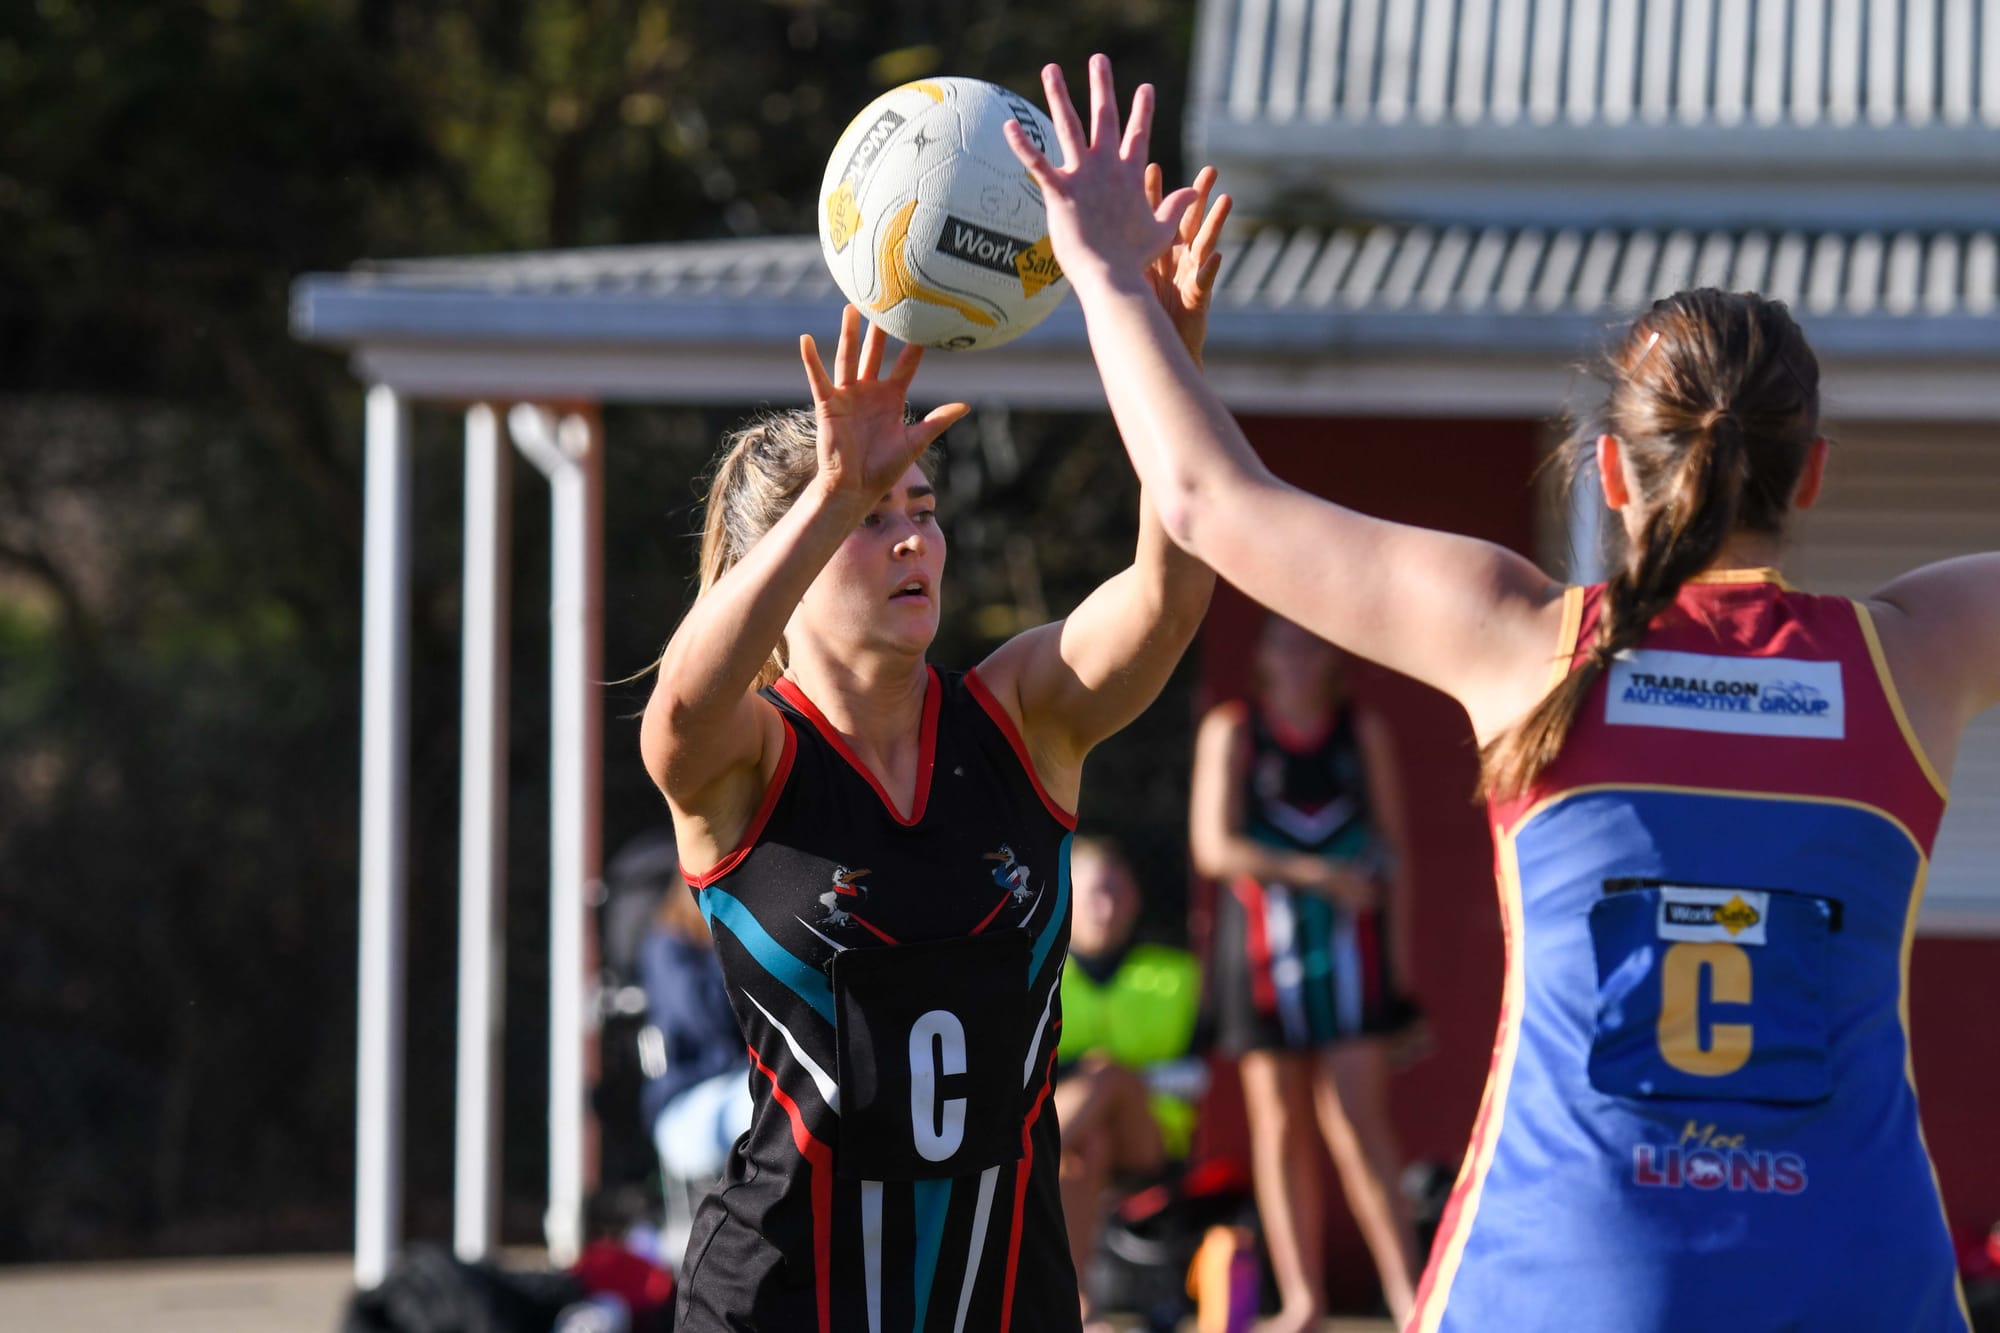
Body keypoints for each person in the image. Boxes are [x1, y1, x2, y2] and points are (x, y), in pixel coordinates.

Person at [1006, 54, 1997, 1331]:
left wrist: (1103, 274)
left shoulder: (1524, 641)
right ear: (1809, 475)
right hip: (1854, 1278)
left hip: (1562, 1276)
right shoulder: (1909, 657)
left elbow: (1204, 500)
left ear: (1608, 473)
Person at [638, 112, 1229, 1330]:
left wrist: (1168, 359)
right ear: (784, 566)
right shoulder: (751, 762)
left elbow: (1169, 598)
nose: (912, 536)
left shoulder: (1019, 717)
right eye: (873, 517)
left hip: (1005, 1304)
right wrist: (830, 491)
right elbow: (679, 706)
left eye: (921, 505)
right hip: (780, 1308)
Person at [1190, 615, 1421, 1327]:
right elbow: (1213, 847)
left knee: (1357, 1120)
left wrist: (1401, 978)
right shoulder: (1233, 730)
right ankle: (1303, 1300)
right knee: (1279, 1122)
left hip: (1353, 958)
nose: (1297, 657)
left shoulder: (1361, 733)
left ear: (1334, 657)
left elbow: (1396, 854)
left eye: (1312, 643)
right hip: (1261, 958)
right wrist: (1317, 875)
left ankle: (1413, 1295)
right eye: (1283, 642)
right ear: (1261, 656)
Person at [1052, 835, 1205, 1329]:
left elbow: (1205, 1075)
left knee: (1109, 1075)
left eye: (1117, 892)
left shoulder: (1178, 974)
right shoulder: (1038, 973)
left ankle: (1017, 1159)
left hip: (1152, 1140)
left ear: (1136, 898)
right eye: (1095, 893)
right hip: (1077, 1137)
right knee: (1088, 1147)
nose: (1107, 907)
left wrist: (1113, 1077)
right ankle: (1079, 1306)